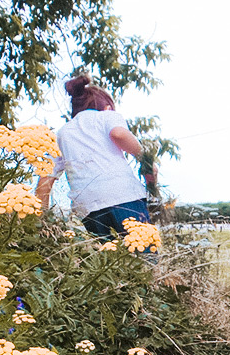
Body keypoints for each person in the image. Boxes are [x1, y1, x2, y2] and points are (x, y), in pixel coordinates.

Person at [35, 70, 157, 239]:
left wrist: (41, 221)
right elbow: (118, 134)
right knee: (143, 253)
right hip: (123, 195)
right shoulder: (107, 117)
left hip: (87, 207)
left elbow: (45, 180)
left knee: (108, 259)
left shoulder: (62, 134)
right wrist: (146, 159)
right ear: (107, 108)